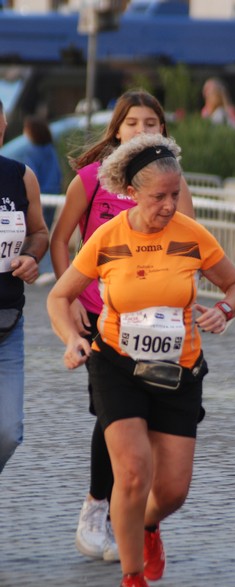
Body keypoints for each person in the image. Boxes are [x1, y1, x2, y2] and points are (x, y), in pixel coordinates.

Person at [47, 132, 235, 587]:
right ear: (132, 194)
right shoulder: (107, 238)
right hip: (116, 364)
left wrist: (225, 310)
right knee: (133, 473)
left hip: (179, 370)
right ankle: (132, 579)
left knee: (173, 490)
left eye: (175, 195)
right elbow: (59, 296)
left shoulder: (191, 236)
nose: (169, 205)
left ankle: (150, 524)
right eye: (159, 196)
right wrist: (73, 338)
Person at [50, 90, 195, 563]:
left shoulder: (173, 186)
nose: (142, 130)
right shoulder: (91, 180)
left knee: (147, 422)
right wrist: (69, 302)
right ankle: (98, 507)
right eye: (133, 122)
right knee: (109, 415)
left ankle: (132, 510)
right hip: (100, 314)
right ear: (117, 129)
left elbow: (190, 246)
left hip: (158, 320)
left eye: (151, 122)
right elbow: (62, 239)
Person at [0, 99, 49, 475]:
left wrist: (32, 257)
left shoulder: (20, 175)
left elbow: (39, 232)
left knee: (6, 433)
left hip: (6, 326)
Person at [20, 115, 62, 285]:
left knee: (35, 234)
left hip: (39, 197)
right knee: (46, 233)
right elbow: (57, 174)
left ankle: (39, 268)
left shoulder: (31, 151)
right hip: (53, 195)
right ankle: (47, 269)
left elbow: (30, 175)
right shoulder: (50, 149)